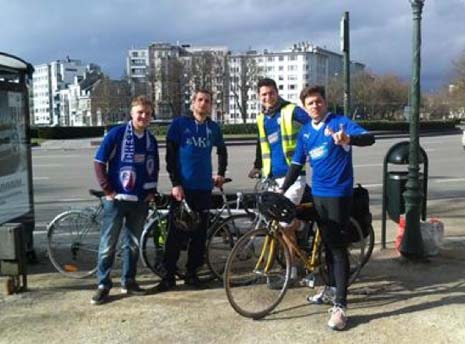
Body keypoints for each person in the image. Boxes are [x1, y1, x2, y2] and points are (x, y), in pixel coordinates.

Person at [280, 85, 375, 330]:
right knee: (321, 240)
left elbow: (370, 138)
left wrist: (349, 139)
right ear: (305, 106)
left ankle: (341, 307)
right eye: (310, 103)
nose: (315, 106)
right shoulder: (305, 133)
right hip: (318, 193)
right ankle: (331, 288)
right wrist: (282, 189)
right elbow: (296, 164)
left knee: (336, 247)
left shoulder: (339, 122)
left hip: (339, 195)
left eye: (319, 101)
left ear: (325, 102)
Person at [156, 88, 228, 291]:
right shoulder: (180, 125)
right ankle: (168, 275)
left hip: (203, 188)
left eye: (207, 101)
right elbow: (170, 156)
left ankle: (192, 273)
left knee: (199, 235)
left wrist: (220, 172)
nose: (203, 103)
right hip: (183, 189)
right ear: (193, 103)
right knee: (176, 235)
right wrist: (175, 183)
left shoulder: (213, 128)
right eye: (200, 100)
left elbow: (222, 150)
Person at [91, 96, 159, 305]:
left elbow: (154, 167)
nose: (144, 116)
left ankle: (128, 281)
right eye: (140, 112)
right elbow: (99, 162)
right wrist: (108, 190)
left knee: (132, 244)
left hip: (139, 200)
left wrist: (151, 191)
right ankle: (103, 284)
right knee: (107, 244)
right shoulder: (117, 134)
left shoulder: (150, 140)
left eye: (147, 113)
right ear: (131, 113)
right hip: (117, 199)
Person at [249, 78, 309, 284]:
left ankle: (292, 270)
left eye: (271, 93)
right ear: (259, 97)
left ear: (277, 92)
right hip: (272, 178)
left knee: (284, 223)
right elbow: (261, 145)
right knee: (276, 222)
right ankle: (299, 227)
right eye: (264, 94)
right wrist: (258, 166)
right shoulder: (261, 119)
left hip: (293, 177)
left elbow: (313, 123)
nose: (268, 97)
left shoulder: (290, 111)